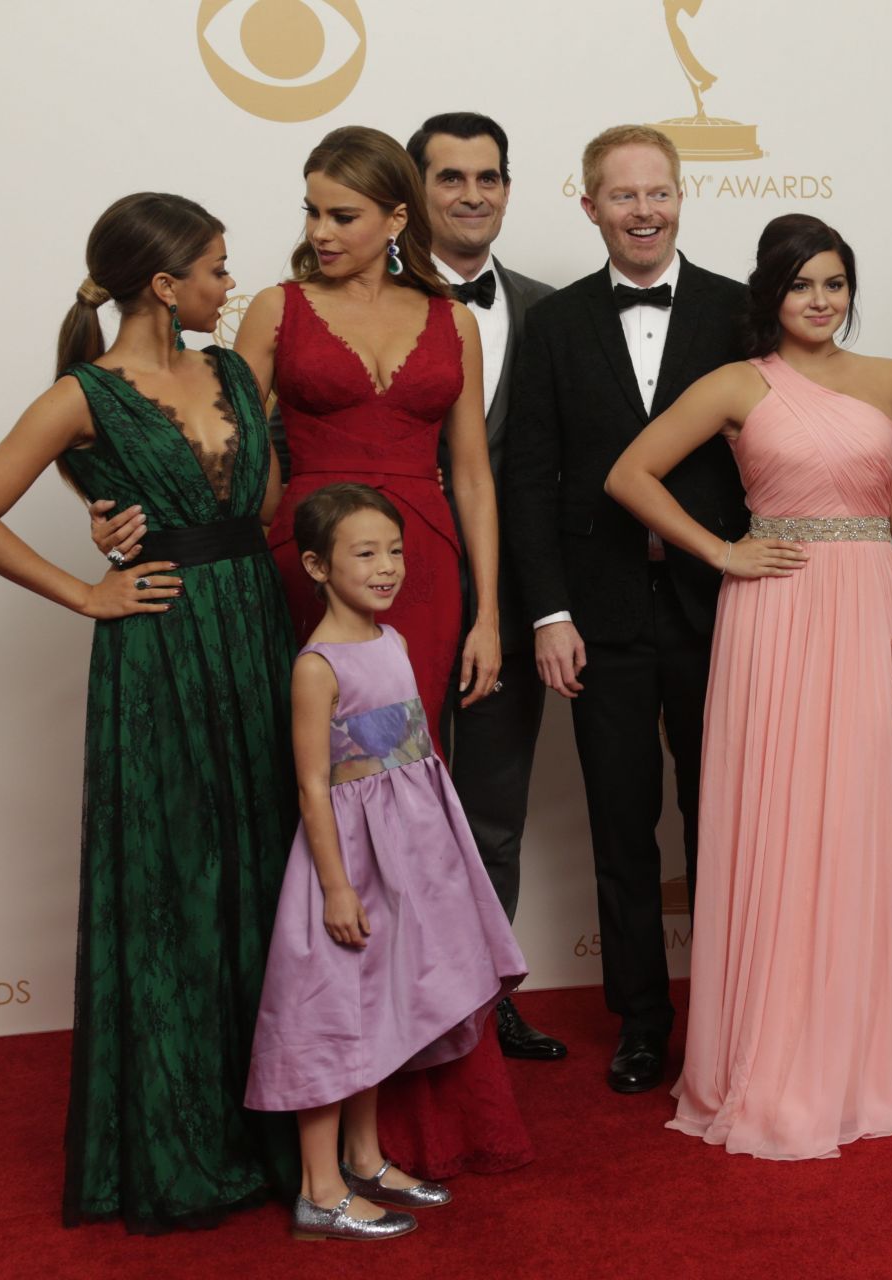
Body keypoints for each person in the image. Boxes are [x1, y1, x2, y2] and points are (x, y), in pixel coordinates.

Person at [0, 193, 298, 1230]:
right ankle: (183, 1146)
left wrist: (122, 497)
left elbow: (262, 503)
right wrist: (90, 585)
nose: (233, 287)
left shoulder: (231, 370)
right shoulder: (83, 392)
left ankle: (272, 1127)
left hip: (255, 634)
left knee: (263, 873)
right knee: (176, 886)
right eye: (219, 269)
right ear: (164, 282)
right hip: (162, 650)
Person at [606, 214, 892, 1157]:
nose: (822, 300)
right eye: (803, 284)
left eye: (836, 283)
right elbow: (628, 473)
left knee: (865, 822)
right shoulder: (735, 384)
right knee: (784, 822)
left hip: (875, 609)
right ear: (772, 293)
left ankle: (867, 1051)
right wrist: (723, 550)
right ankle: (778, 1056)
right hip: (777, 618)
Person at [232, 124, 530, 1178]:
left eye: (342, 214)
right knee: (313, 800)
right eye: (310, 210)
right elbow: (228, 447)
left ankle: (408, 1107)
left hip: (426, 571)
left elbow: (475, 475)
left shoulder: (450, 318)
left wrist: (491, 610)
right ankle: (315, 1084)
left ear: (399, 219)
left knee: (409, 818)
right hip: (298, 565)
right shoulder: (274, 308)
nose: (318, 232)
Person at [502, 125, 749, 1094]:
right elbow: (527, 478)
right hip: (597, 611)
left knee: (723, 821)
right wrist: (546, 612)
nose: (644, 210)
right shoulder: (554, 324)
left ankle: (734, 1015)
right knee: (620, 825)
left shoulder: (739, 312)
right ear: (590, 205)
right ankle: (641, 1021)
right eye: (623, 195)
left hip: (718, 606)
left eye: (659, 192)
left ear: (682, 197)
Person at [246, 483, 527, 1241]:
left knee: (381, 1007)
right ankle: (320, 1188)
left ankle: (366, 1159)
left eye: (395, 550)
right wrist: (336, 888)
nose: (388, 567)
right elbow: (311, 785)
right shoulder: (318, 666)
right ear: (315, 565)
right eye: (365, 553)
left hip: (406, 858)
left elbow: (418, 766)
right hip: (345, 862)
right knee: (333, 1012)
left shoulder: (395, 643)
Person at [405, 110, 563, 1062]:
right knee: (388, 804)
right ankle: (399, 1007)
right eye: (451, 177)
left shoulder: (549, 308)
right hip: (390, 588)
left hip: (510, 595)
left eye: (489, 177)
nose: (472, 195)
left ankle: (482, 1003)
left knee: (493, 806)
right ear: (414, 190)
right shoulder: (355, 297)